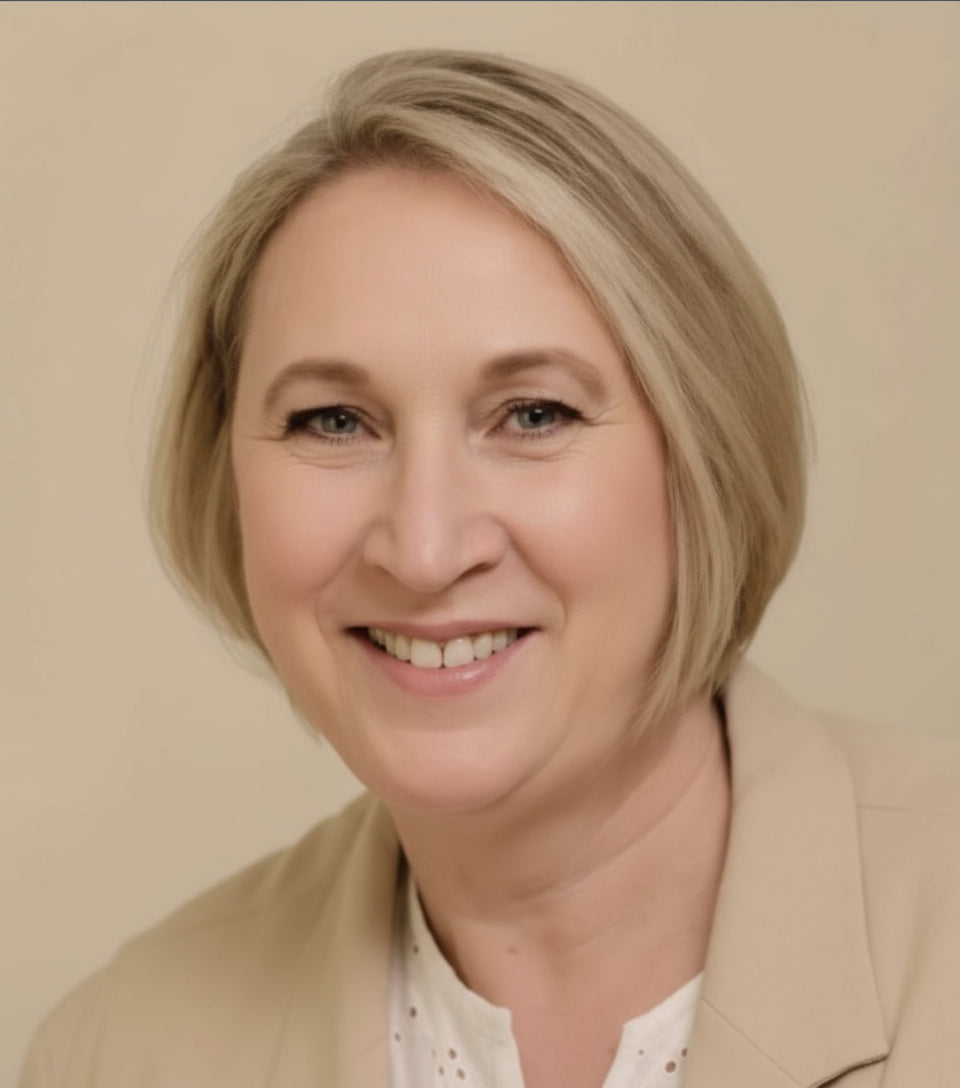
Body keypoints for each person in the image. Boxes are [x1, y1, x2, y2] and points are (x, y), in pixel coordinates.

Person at [20, 49, 960, 1088]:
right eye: (334, 419)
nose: (423, 550)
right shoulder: (119, 1052)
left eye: (534, 413)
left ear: (707, 453)